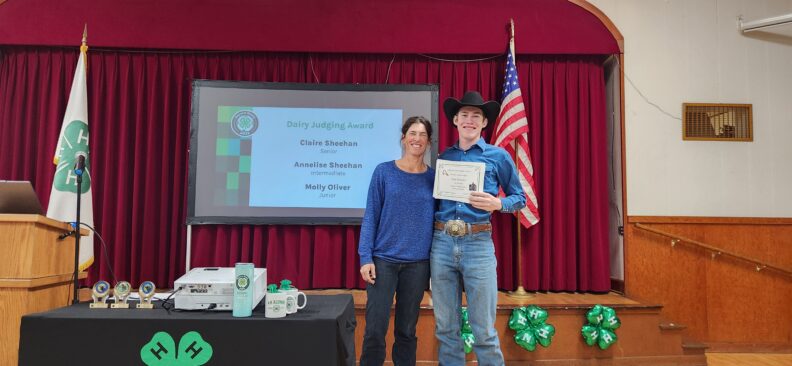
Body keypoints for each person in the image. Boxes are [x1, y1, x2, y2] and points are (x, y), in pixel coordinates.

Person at [431, 91, 526, 366]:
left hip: (478, 243)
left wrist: (498, 203)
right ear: (455, 121)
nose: (469, 120)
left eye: (476, 116)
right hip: (442, 243)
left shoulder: (498, 156)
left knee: (484, 329)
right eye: (464, 116)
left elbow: (520, 199)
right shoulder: (443, 158)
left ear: (484, 123)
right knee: (446, 328)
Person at [358, 116, 435, 366]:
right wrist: (365, 257)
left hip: (418, 265)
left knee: (406, 331)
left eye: (423, 135)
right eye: (413, 133)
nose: (417, 139)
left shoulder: (435, 179)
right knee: (375, 330)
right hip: (383, 263)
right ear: (403, 139)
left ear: (429, 142)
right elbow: (371, 215)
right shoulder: (384, 172)